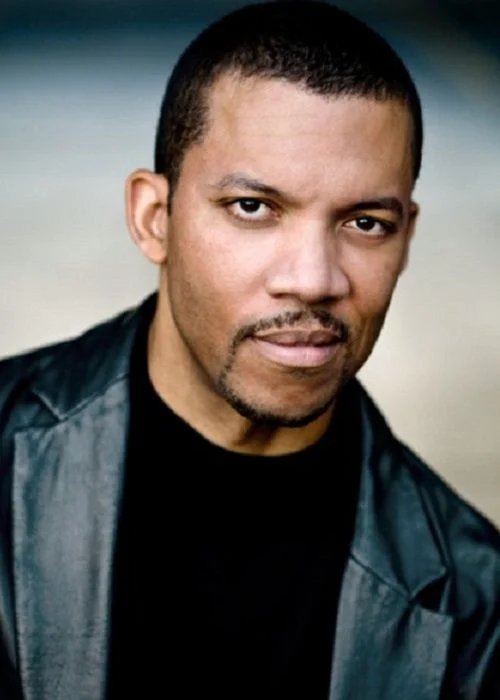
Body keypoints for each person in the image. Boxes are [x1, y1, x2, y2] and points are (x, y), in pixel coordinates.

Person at [0, 1, 498, 698]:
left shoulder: (477, 605)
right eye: (254, 208)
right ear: (154, 219)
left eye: (364, 222)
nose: (314, 280)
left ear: (405, 237)